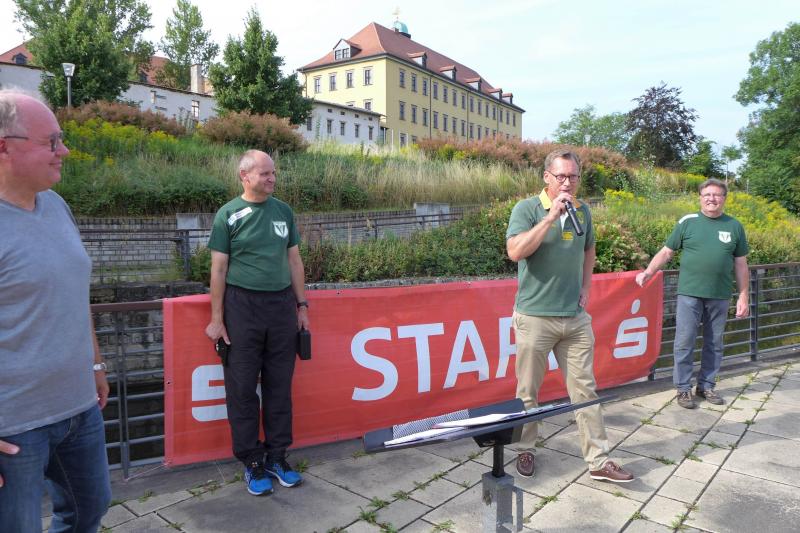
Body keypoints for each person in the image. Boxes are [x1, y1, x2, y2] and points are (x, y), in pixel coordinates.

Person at [0, 91, 111, 531]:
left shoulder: (56, 206)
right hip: (14, 426)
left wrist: (96, 364)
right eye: (51, 141)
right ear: (4, 146)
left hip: (79, 408)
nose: (63, 150)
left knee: (89, 510)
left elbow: (74, 294)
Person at [506, 148, 634, 483]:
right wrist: (550, 218)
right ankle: (525, 450)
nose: (567, 182)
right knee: (528, 391)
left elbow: (589, 248)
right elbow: (515, 251)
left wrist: (587, 286)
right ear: (546, 177)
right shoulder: (527, 209)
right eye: (561, 176)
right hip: (535, 317)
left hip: (575, 318)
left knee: (585, 391)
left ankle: (599, 460)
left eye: (573, 176)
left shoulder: (582, 211)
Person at [205, 149, 309, 496]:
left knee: (280, 387)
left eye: (273, 173)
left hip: (280, 307)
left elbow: (294, 262)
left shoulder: (283, 212)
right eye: (265, 173)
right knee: (242, 389)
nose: (272, 178)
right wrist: (217, 319)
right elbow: (218, 269)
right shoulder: (228, 214)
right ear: (245, 176)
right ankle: (252, 461)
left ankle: (277, 457)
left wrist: (302, 306)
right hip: (241, 308)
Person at [636, 178, 749, 409]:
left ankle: (706, 385)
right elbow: (667, 252)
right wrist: (648, 272)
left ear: (724, 198)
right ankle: (683, 388)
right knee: (684, 342)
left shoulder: (734, 226)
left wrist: (744, 295)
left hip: (719, 294)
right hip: (689, 293)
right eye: (707, 195)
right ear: (700, 198)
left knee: (714, 343)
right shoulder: (687, 222)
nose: (711, 199)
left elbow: (741, 264)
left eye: (716, 195)